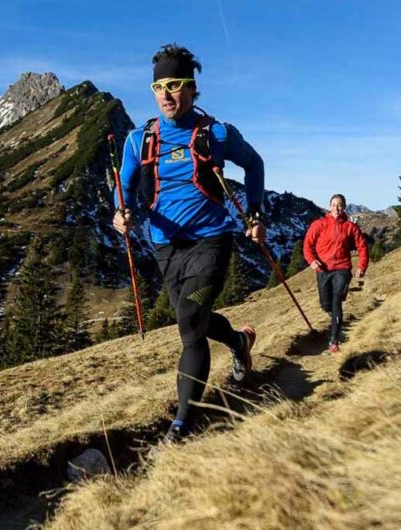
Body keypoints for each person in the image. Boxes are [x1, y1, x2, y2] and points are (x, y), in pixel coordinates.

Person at [112, 43, 266, 444]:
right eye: (158, 86)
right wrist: (121, 212)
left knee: (189, 325)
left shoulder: (216, 133)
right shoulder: (136, 140)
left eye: (175, 85)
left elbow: (254, 163)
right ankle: (238, 340)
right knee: (191, 316)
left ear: (192, 88)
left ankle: (182, 424)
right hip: (165, 246)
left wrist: (256, 212)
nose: (166, 94)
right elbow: (124, 186)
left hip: (211, 240)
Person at [303, 194, 369, 353]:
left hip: (342, 269)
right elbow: (307, 245)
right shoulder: (319, 224)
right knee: (325, 305)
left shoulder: (350, 227)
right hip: (323, 270)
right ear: (329, 206)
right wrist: (312, 261)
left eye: (340, 205)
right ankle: (335, 319)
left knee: (337, 300)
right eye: (333, 205)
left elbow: (362, 247)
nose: (336, 208)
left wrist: (361, 267)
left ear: (344, 207)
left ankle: (334, 341)